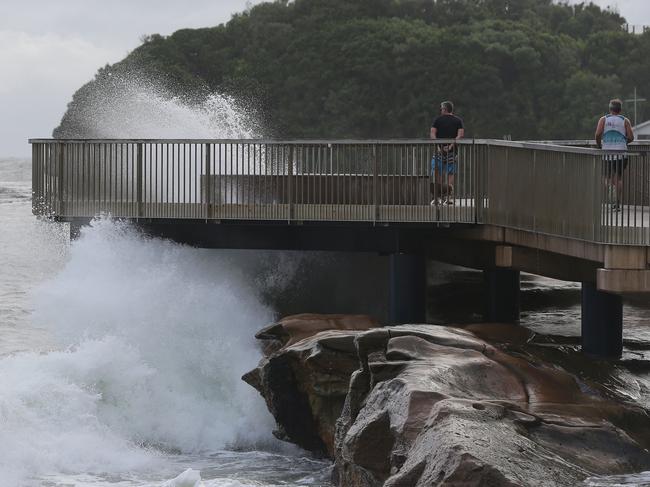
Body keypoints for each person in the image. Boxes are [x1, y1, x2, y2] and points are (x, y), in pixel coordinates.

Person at [595, 98, 634, 211]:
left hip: (607, 152)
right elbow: (631, 137)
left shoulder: (603, 119)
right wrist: (624, 142)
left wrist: (599, 145)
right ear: (620, 110)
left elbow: (598, 134)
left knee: (606, 177)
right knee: (619, 178)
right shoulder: (625, 120)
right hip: (621, 152)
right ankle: (616, 202)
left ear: (610, 109)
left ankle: (610, 189)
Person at [430, 100, 465, 205]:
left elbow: (432, 134)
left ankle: (437, 198)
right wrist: (451, 146)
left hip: (439, 151)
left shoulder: (437, 120)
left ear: (444, 109)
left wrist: (438, 146)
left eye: (441, 109)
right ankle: (449, 197)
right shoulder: (458, 121)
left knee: (437, 172)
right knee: (450, 173)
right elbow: (460, 135)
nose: (440, 110)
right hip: (452, 151)